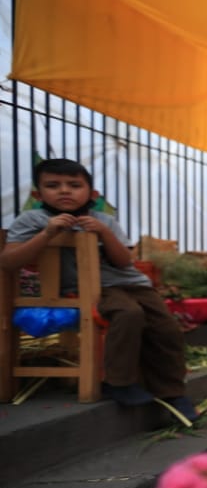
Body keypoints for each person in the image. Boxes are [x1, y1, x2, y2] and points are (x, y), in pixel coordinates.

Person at [1, 158, 196, 418]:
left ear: (92, 193)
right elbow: (8, 262)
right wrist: (47, 234)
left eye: (74, 185)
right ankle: (118, 383)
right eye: (53, 185)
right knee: (128, 314)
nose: (64, 190)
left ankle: (173, 393)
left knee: (167, 328)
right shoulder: (31, 220)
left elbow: (125, 261)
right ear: (38, 193)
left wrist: (104, 233)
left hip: (132, 284)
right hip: (88, 289)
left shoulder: (104, 220)